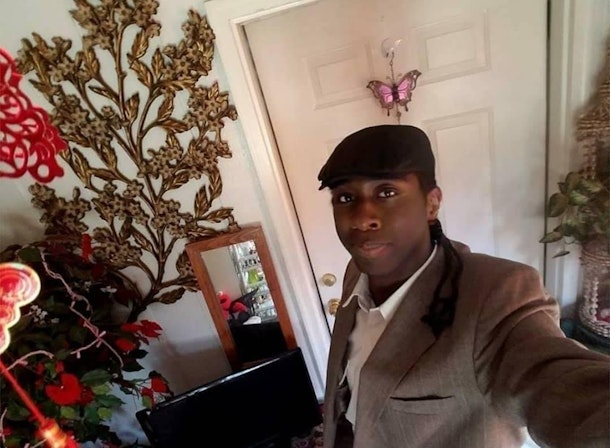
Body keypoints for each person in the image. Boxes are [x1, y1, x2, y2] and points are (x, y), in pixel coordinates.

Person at [316, 124, 610, 448]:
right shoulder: (356, 270)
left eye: (386, 192)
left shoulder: (495, 295)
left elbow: (559, 379)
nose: (361, 218)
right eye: (345, 197)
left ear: (431, 204)